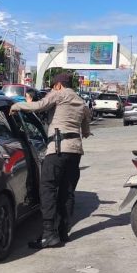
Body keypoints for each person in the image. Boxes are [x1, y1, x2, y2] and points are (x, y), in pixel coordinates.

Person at [10, 73, 92, 249]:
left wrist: (17, 105)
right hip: (75, 151)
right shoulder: (81, 101)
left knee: (47, 189)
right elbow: (86, 130)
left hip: (57, 149)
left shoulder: (59, 94)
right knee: (67, 192)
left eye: (53, 86)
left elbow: (39, 106)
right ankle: (63, 232)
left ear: (58, 85)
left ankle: (48, 234)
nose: (52, 89)